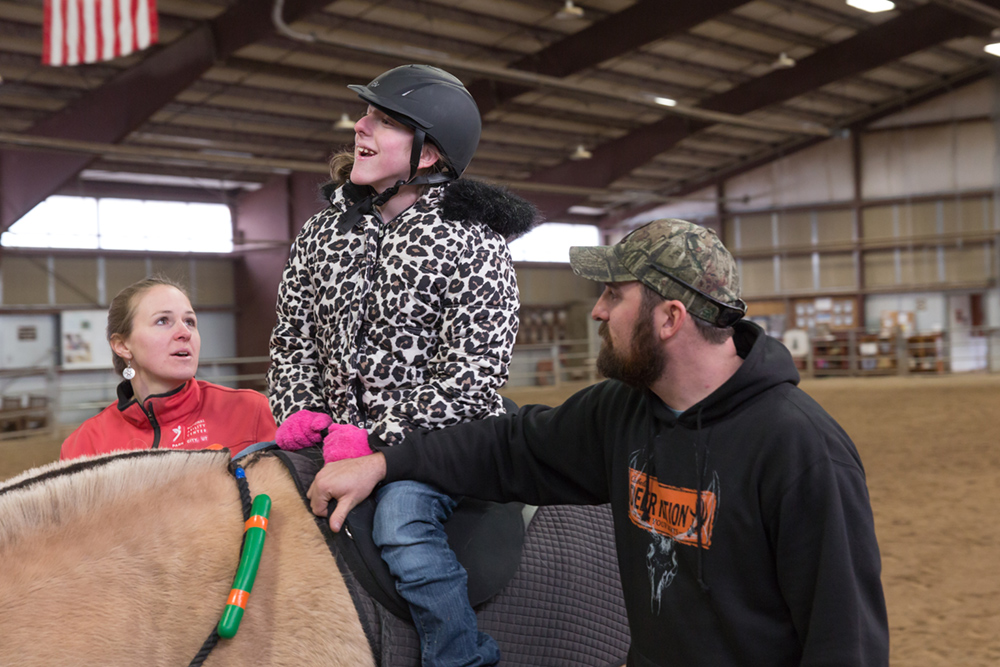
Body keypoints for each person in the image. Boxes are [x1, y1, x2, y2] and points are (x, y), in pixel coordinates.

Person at [307, 218, 890, 667]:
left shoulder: (802, 452)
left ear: (669, 318)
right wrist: (384, 463)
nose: (597, 310)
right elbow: (508, 448)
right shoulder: (624, 412)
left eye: (614, 294)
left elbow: (846, 641)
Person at [267, 64, 536, 666]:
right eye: (367, 115)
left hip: (436, 443)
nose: (360, 126)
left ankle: (460, 657)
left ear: (428, 153)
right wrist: (298, 413)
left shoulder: (474, 243)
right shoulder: (321, 234)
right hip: (331, 434)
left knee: (403, 530)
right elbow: (293, 336)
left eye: (384, 121)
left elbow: (471, 380)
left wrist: (375, 437)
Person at [61, 276, 277, 460]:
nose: (185, 332)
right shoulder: (84, 445)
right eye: (163, 321)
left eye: (190, 321)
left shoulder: (252, 412)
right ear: (122, 345)